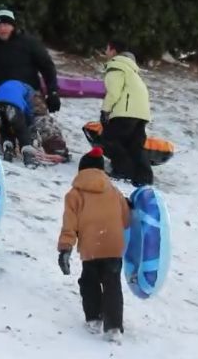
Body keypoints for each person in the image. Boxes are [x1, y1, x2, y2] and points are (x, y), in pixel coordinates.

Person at [0, 7, 69, 160]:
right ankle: (11, 142)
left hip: (30, 94)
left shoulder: (29, 43)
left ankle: (55, 147)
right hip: (3, 98)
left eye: (6, 25)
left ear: (13, 25)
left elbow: (47, 67)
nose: (2, 29)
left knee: (42, 121)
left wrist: (52, 92)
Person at [57, 147, 130, 343]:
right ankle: (114, 327)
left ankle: (94, 318)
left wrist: (65, 248)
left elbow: (69, 224)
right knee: (112, 284)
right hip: (114, 245)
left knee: (89, 282)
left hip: (92, 246)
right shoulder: (114, 191)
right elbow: (126, 219)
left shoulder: (74, 194)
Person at [100, 40, 153, 186]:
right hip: (142, 112)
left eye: (106, 49)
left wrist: (105, 111)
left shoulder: (116, 66)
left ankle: (123, 170)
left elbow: (113, 93)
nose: (105, 52)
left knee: (108, 139)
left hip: (126, 111)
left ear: (112, 50)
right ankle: (144, 177)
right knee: (135, 145)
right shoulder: (131, 70)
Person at [0, 79, 37, 167]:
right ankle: (28, 159)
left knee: (4, 131)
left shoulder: (4, 85)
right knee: (22, 132)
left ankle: (8, 152)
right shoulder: (28, 90)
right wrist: (29, 123)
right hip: (13, 106)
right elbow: (28, 109)